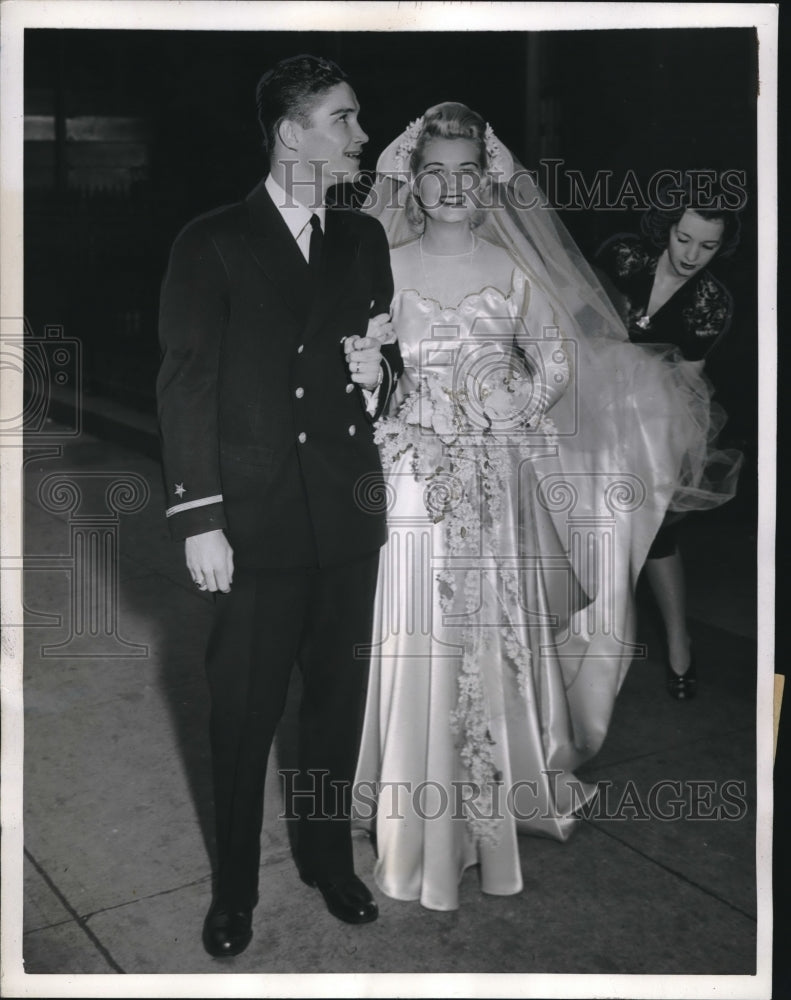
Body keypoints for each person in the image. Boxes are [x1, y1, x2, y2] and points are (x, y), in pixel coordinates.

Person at [353, 103, 740, 910]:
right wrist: (383, 397)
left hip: (497, 482)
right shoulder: (381, 262)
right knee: (421, 631)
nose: (452, 185)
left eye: (467, 170)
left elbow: (561, 357)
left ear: (486, 179)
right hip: (416, 481)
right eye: (436, 171)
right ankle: (411, 804)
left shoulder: (508, 266)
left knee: (494, 629)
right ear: (412, 182)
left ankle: (502, 789)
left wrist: (517, 402)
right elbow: (365, 368)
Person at [156, 54, 402, 957]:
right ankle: (231, 892)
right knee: (242, 712)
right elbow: (185, 387)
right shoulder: (212, 240)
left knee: (335, 705)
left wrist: (386, 376)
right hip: (252, 524)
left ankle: (327, 860)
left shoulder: (362, 238)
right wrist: (199, 518)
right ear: (291, 132)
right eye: (344, 119)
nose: (361, 136)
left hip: (343, 517)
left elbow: (385, 360)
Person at [594, 179, 743, 699]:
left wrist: (668, 449)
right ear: (667, 228)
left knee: (654, 531)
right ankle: (585, 654)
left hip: (653, 417)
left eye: (707, 246)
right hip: (585, 401)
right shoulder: (623, 255)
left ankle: (678, 640)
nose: (691, 255)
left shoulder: (711, 302)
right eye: (684, 238)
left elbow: (687, 381)